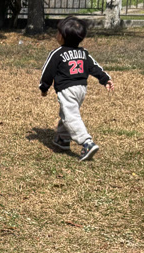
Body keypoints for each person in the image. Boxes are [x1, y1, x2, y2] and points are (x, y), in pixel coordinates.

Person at [38, 16, 115, 162]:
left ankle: (87, 142)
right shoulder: (83, 53)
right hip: (81, 89)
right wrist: (105, 79)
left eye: (58, 32)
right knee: (67, 112)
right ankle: (63, 139)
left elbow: (47, 72)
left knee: (71, 116)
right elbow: (94, 67)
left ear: (62, 36)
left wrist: (44, 87)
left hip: (67, 90)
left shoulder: (57, 53)